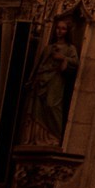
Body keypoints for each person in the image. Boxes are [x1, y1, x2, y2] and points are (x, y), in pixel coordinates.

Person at [23, 17, 78, 146]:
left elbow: (75, 62)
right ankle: (36, 138)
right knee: (37, 108)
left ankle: (53, 136)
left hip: (56, 79)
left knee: (52, 105)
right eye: (58, 28)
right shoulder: (48, 48)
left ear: (67, 31)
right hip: (42, 79)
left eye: (63, 29)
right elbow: (39, 64)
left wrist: (63, 58)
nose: (59, 31)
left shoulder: (70, 48)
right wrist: (33, 78)